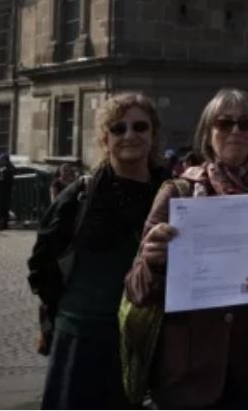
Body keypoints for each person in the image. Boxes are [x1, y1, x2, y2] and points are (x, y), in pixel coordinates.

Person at [125, 89, 248, 408]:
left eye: (245, 124)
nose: (236, 131)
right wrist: (153, 262)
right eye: (224, 123)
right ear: (207, 132)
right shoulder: (177, 192)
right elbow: (136, 290)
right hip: (189, 371)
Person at [27, 93, 167, 409]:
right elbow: (42, 264)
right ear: (105, 140)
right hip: (82, 335)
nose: (130, 135)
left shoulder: (171, 192)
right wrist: (65, 315)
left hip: (148, 336)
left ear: (153, 135)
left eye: (140, 126)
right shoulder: (78, 196)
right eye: (118, 129)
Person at [0, 153, 16, 230]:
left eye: (2, 160)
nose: (0, 161)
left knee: (3, 208)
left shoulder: (9, 168)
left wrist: (1, 173)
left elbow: (7, 178)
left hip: (5, 191)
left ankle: (3, 223)